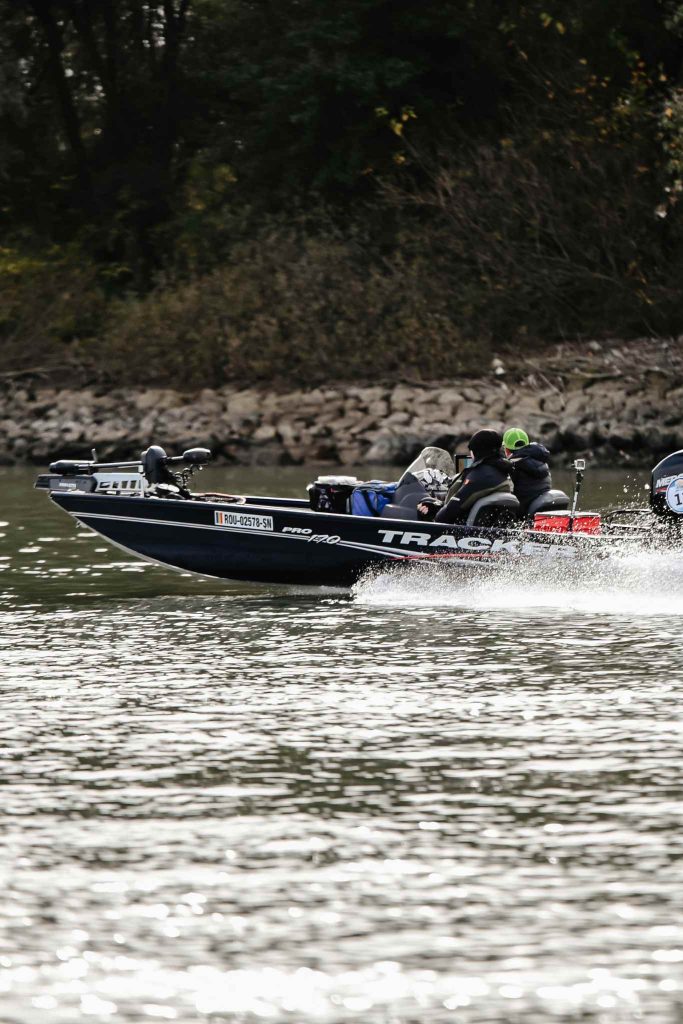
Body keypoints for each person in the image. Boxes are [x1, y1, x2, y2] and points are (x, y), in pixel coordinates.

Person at [417, 429, 513, 523]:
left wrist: (432, 517)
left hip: (460, 533)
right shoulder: (502, 471)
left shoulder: (481, 475)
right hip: (479, 529)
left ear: (476, 451)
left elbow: (453, 508)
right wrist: (436, 506)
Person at [503, 426, 553, 514]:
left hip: (523, 515)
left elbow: (507, 496)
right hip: (542, 509)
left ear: (507, 450)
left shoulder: (512, 467)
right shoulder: (542, 461)